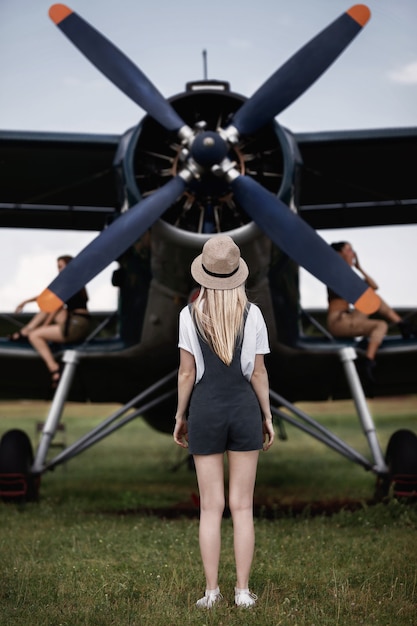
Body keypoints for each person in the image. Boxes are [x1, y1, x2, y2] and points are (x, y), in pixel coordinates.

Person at [173, 235, 275, 609]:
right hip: (243, 409)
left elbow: (186, 374)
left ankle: (212, 592)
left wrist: (181, 415)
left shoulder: (188, 315)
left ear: (204, 273)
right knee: (243, 507)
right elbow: (258, 373)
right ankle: (243, 592)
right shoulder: (255, 314)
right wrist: (266, 415)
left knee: (211, 507)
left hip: (206, 409)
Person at [327, 241, 414, 380]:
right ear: (338, 254)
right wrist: (347, 265)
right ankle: (368, 361)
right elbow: (365, 291)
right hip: (339, 322)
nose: (353, 254)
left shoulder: (348, 276)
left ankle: (401, 326)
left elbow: (374, 286)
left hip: (350, 320)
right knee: (377, 315)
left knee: (377, 310)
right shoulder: (335, 274)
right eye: (348, 250)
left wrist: (359, 268)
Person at [9, 255, 91, 387]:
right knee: (47, 306)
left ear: (69, 265)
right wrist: (26, 302)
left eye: (60, 266)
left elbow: (56, 306)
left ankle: (54, 368)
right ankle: (25, 331)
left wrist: (43, 328)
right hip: (78, 321)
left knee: (35, 335)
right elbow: (48, 298)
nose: (58, 270)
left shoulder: (70, 282)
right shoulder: (75, 282)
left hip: (76, 325)